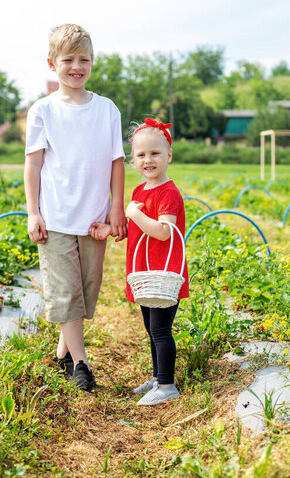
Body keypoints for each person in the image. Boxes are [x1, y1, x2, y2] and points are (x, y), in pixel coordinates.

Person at [24, 24, 127, 391]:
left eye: (83, 59)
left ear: (92, 63)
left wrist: (117, 208)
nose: (76, 67)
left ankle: (62, 354)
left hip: (94, 218)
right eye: (68, 59)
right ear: (52, 63)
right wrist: (33, 212)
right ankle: (81, 364)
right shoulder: (43, 110)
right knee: (66, 291)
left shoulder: (106, 110)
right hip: (55, 217)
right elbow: (34, 164)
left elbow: (117, 161)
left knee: (86, 289)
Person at [90, 117, 189, 405]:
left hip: (164, 271)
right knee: (150, 328)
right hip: (145, 272)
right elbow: (137, 229)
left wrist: (134, 214)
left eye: (155, 153)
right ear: (133, 160)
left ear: (169, 155)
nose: (148, 160)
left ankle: (168, 386)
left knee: (161, 330)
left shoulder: (168, 193)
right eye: (141, 155)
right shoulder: (139, 192)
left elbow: (161, 231)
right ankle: (158, 377)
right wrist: (112, 228)